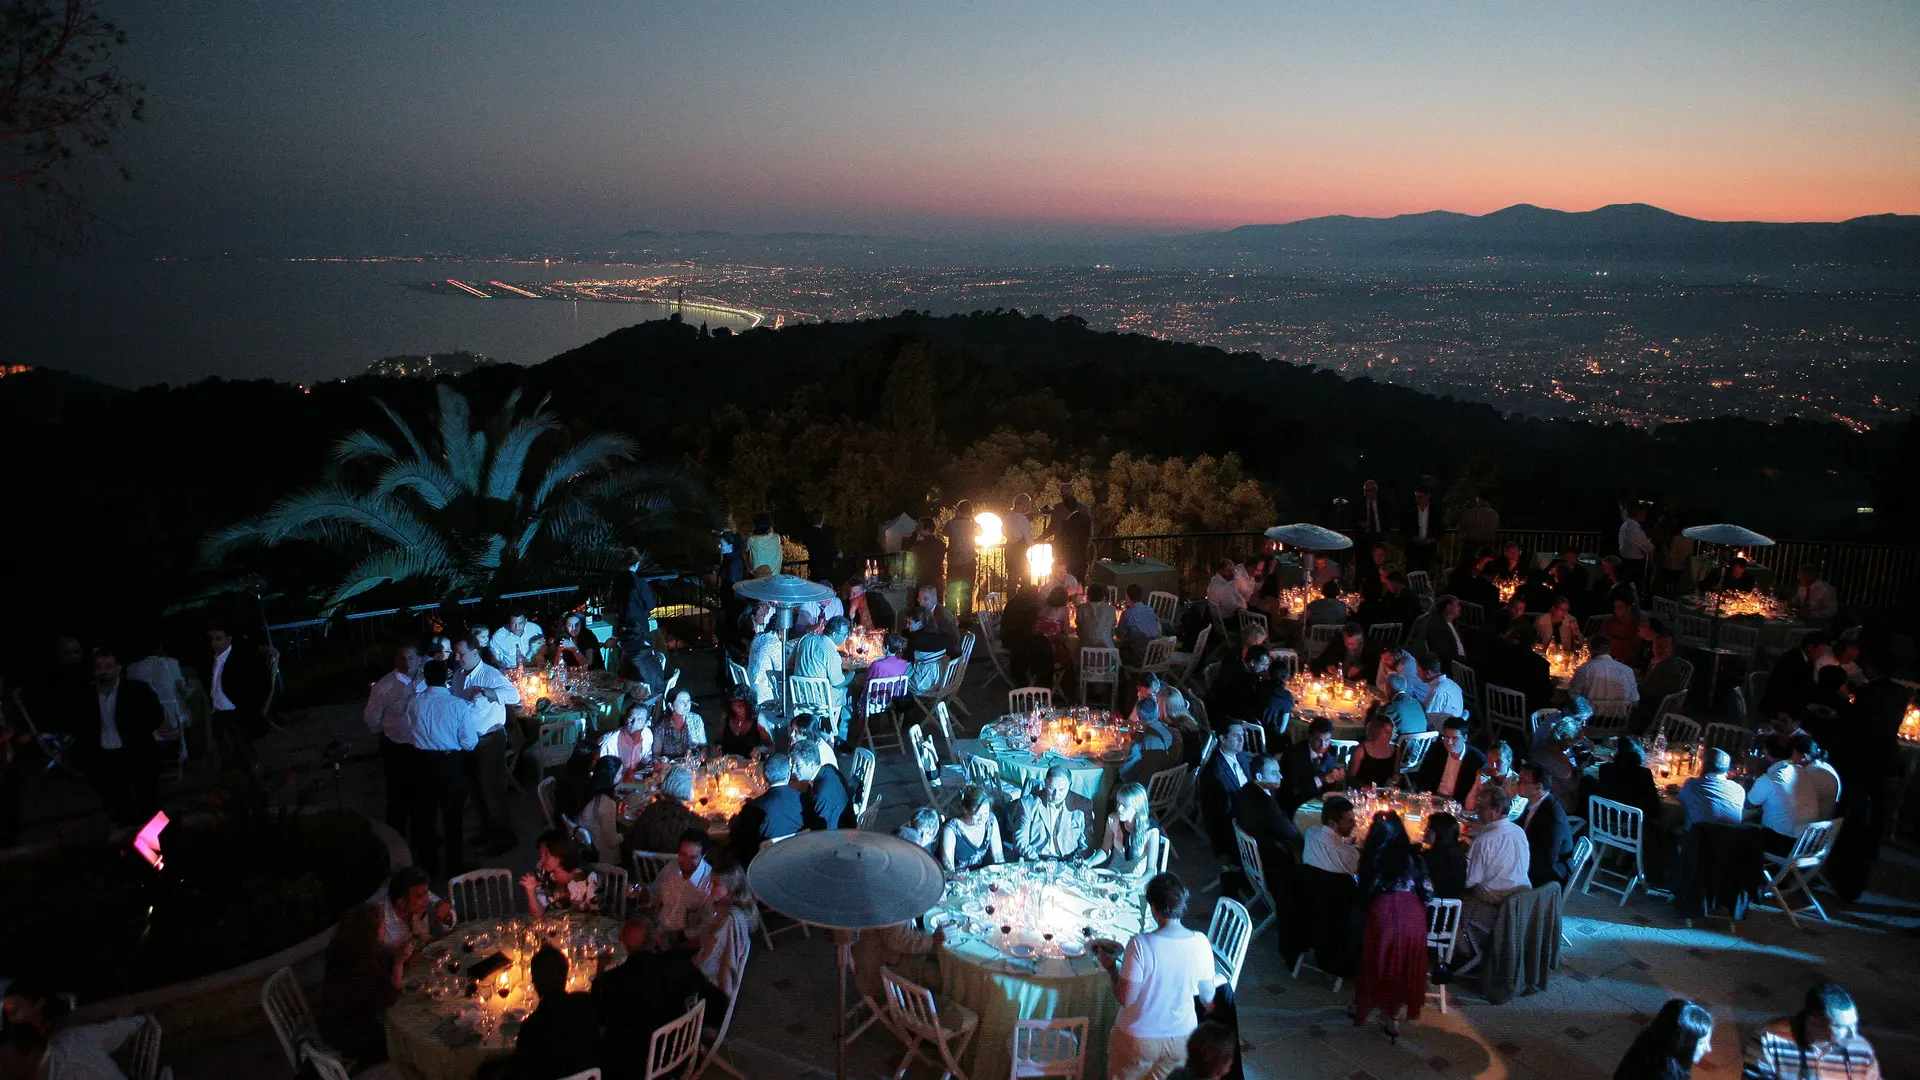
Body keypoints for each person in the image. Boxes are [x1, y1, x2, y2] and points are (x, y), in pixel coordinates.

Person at [1100, 873, 1224, 1080]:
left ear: (1154, 908)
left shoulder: (1140, 944)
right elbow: (1207, 997)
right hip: (1182, 1039)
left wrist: (1112, 970)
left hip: (1138, 1038)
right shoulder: (1201, 942)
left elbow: (1126, 999)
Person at [593, 915, 728, 1080]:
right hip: (678, 1052)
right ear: (655, 938)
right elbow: (718, 1002)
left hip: (632, 1068)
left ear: (622, 943)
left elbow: (597, 1021)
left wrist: (600, 969)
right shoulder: (679, 963)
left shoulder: (610, 981)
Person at [406, 658, 491, 876]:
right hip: (449, 764)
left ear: (425, 678)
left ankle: (429, 866)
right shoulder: (458, 706)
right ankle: (454, 867)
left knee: (426, 815)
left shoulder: (415, 702)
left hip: (421, 763)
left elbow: (410, 728)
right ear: (447, 678)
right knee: (453, 817)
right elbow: (469, 743)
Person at [1352, 811, 1432, 1039]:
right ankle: (1393, 1016)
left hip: (1383, 913)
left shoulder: (1372, 858)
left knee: (1375, 961)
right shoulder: (1415, 857)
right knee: (1403, 964)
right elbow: (1427, 893)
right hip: (1412, 915)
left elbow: (1365, 894)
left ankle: (1366, 1005)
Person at [75, 646, 163, 826]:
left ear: (118, 667)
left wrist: (137, 734)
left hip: (136, 753)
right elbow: (82, 726)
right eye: (99, 667)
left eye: (107, 666)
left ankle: (157, 846)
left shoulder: (137, 690)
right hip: (105, 756)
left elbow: (156, 716)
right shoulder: (87, 695)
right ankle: (127, 845)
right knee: (117, 806)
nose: (102, 672)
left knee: (148, 803)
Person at [450, 634, 522, 855]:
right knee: (476, 788)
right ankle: (487, 830)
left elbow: (513, 694)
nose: (457, 657)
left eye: (461, 653)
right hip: (467, 741)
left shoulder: (490, 674)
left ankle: (505, 837)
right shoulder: (459, 676)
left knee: (492, 789)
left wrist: (487, 692)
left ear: (474, 652)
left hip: (489, 739)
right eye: (455, 653)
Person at [316, 902, 406, 1066]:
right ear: (368, 933)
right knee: (402, 1037)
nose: (385, 929)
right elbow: (387, 999)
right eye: (382, 925)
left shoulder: (350, 948)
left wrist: (396, 951)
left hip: (334, 1019)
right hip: (349, 1034)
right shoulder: (357, 966)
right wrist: (398, 965)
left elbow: (381, 959)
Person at [1452, 785, 1531, 970]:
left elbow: (1470, 880)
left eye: (1481, 808)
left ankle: (1460, 950)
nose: (1476, 811)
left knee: (1451, 894)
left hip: (1496, 898)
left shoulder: (1485, 840)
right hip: (1522, 894)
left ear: (1496, 811)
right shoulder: (1518, 831)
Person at [499, 947, 599, 1080]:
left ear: (534, 982)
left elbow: (521, 1070)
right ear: (566, 976)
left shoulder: (532, 1027)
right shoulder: (586, 1002)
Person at [1744, 983, 1879, 1079]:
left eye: (1853, 1024)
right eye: (1840, 1026)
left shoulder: (1861, 1049)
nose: (1853, 1034)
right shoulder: (1770, 1039)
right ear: (1814, 1021)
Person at [365, 640, 422, 836]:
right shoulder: (385, 685)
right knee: (397, 796)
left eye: (411, 658)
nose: (406, 662)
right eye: (402, 658)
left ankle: (421, 836)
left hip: (421, 746)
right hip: (396, 746)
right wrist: (390, 728)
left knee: (421, 796)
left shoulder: (425, 681)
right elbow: (371, 717)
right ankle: (396, 839)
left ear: (419, 659)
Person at [204, 622, 271, 770]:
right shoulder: (215, 657)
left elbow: (255, 686)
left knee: (240, 743)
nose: (213, 643)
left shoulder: (240, 660)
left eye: (218, 638)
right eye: (211, 639)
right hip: (219, 709)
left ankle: (251, 770)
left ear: (229, 639)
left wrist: (244, 708)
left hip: (235, 710)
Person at [728, 754, 803, 865]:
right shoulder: (803, 799)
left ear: (764, 776)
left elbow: (740, 840)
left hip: (763, 864)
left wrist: (733, 822)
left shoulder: (754, 807)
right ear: (788, 774)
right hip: (798, 858)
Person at [1233, 753, 1301, 874]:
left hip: (1249, 854)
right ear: (1259, 776)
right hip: (1268, 860)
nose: (1280, 776)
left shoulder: (1245, 789)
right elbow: (1291, 833)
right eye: (1274, 773)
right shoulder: (1266, 803)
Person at [1615, 998, 1714, 1080]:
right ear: (1680, 1043)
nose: (1708, 1048)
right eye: (1701, 1042)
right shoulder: (1663, 1074)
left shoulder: (1648, 1044)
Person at [1747, 734, 1810, 855]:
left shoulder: (1771, 779)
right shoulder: (1802, 772)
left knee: (1739, 826)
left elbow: (1748, 804)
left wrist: (1752, 774)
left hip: (1782, 845)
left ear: (1766, 751)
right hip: (1805, 844)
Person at [1515, 762, 1574, 887]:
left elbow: (1546, 861)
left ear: (1538, 787)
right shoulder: (1535, 802)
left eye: (1522, 780)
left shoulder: (1552, 817)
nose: (1516, 783)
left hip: (1548, 877)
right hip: (1531, 859)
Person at [1196, 725, 1251, 860]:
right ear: (1223, 739)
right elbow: (1213, 814)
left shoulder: (1242, 757)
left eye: (1242, 735)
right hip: (1236, 823)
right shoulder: (1214, 771)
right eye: (1235, 735)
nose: (1241, 739)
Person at [1016, 764, 1092, 861]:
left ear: (1070, 785)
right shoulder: (1028, 804)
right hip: (1036, 859)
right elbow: (1021, 842)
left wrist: (1073, 862)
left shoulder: (1082, 806)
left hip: (1068, 861)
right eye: (1051, 788)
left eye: (1062, 790)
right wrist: (1038, 862)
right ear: (1045, 784)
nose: (1056, 795)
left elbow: (1086, 846)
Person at [626, 765, 704, 857]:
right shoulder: (690, 818)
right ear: (687, 790)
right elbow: (704, 827)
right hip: (676, 868)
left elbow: (631, 839)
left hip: (644, 867)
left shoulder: (652, 809)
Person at [654, 829, 716, 938]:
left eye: (693, 857)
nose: (686, 861)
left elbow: (708, 926)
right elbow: (654, 893)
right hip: (658, 929)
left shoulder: (711, 883)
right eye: (683, 854)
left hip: (682, 941)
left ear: (704, 855)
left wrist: (676, 938)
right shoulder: (672, 866)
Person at [521, 829, 600, 915]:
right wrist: (530, 891)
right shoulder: (542, 872)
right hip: (555, 926)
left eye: (546, 855)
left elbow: (596, 914)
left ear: (560, 854)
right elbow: (538, 914)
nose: (542, 859)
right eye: (541, 854)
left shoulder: (587, 877)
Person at [1759, 632, 1831, 728]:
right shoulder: (1792, 660)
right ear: (1810, 647)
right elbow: (1780, 687)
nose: (1821, 654)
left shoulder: (1808, 659)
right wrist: (1779, 711)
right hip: (1779, 706)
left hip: (1793, 703)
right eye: (1820, 651)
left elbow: (1808, 684)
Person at [375, 865, 455, 950]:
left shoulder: (421, 891)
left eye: (427, 893)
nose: (427, 900)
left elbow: (450, 917)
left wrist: (446, 916)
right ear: (401, 902)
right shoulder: (380, 921)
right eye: (420, 896)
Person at [1279, 718, 1348, 813]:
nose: (1323, 745)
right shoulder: (1293, 756)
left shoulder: (1330, 750)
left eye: (1327, 740)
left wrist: (1336, 775)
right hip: (1297, 806)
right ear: (1310, 737)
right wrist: (1321, 779)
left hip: (1321, 803)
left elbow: (1329, 776)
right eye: (1319, 740)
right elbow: (1291, 791)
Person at [1411, 718, 1484, 801]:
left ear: (1465, 738)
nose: (1449, 742)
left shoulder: (1477, 760)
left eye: (1454, 738)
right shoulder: (1436, 750)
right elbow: (1422, 777)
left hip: (1456, 804)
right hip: (1433, 799)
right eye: (1446, 737)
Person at [1632, 630, 1690, 732]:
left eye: (1664, 647)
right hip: (1646, 698)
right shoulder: (1656, 661)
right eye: (1656, 646)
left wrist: (1634, 686)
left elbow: (1655, 692)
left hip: (1653, 708)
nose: (1659, 650)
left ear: (1671, 649)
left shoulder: (1671, 668)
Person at [1104, 782, 1164, 879]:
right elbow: (1105, 850)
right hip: (1113, 875)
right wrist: (1089, 862)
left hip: (1137, 879)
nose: (1119, 808)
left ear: (1137, 808)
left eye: (1124, 805)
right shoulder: (1113, 820)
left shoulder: (1151, 831)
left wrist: (1136, 883)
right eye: (1118, 803)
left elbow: (1151, 870)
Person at [1673, 747, 1745, 828]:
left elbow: (1678, 801)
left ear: (1704, 766)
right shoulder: (1739, 790)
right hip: (1728, 839)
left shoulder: (1691, 785)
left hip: (1695, 838)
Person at [791, 738, 853, 830]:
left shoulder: (822, 795)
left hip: (837, 835)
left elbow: (823, 833)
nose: (793, 770)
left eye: (798, 766)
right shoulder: (828, 768)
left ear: (812, 764)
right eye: (793, 765)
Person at [1530, 711, 1588, 811]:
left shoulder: (1540, 745)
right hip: (1556, 803)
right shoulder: (1560, 760)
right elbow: (1570, 787)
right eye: (1572, 743)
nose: (1572, 746)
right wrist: (1579, 773)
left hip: (1537, 795)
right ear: (1567, 739)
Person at [940, 786, 1005, 873]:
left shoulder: (990, 820)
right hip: (958, 878)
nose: (983, 819)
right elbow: (948, 867)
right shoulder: (952, 829)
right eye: (977, 815)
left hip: (980, 874)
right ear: (965, 810)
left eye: (985, 813)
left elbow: (998, 856)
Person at [1570, 636, 1641, 707]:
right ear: (1609, 649)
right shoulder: (1627, 670)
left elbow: (1573, 695)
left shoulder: (1584, 669)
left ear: (1590, 649)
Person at [1303, 795, 1361, 878]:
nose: (1354, 824)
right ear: (1333, 823)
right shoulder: (1349, 854)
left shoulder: (1310, 833)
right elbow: (1361, 872)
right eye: (1350, 821)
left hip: (1309, 884)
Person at [579, 756, 624, 863]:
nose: (622, 776)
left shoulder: (587, 790)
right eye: (621, 773)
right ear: (613, 777)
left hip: (589, 847)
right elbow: (611, 842)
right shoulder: (606, 803)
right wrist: (626, 833)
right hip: (605, 857)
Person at [1791, 733, 1842, 822]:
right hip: (1818, 818)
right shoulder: (1820, 765)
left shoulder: (1812, 773)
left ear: (1804, 756)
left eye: (1790, 753)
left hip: (1814, 825)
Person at [599, 700, 654, 778]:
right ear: (625, 719)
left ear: (647, 723)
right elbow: (603, 770)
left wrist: (650, 762)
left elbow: (646, 754)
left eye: (640, 720)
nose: (634, 723)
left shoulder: (647, 734)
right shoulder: (610, 742)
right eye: (631, 718)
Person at [1347, 714, 1401, 790]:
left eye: (1391, 731)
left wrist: (1394, 781)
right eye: (1386, 731)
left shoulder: (1395, 749)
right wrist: (1363, 787)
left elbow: (1397, 774)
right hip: (1364, 793)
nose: (1390, 735)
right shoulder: (1361, 750)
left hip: (1386, 792)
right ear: (1376, 732)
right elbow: (1351, 777)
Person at [1423, 812, 1468, 899]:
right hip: (1452, 909)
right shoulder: (1460, 856)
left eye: (1429, 830)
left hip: (1429, 907)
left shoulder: (1428, 857)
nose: (1425, 831)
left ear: (1440, 834)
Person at [653, 689, 708, 758]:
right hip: (671, 766)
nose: (686, 705)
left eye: (688, 701)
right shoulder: (661, 726)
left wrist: (702, 754)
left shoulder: (696, 719)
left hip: (694, 763)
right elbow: (656, 755)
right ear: (671, 705)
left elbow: (703, 746)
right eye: (682, 702)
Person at [1465, 741, 1518, 811]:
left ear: (1509, 761)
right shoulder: (1485, 775)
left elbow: (1501, 813)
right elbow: (1469, 806)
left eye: (1498, 762)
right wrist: (1477, 782)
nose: (1493, 766)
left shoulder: (1516, 782)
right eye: (1490, 761)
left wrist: (1485, 788)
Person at [1077, 582, 1119, 650]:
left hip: (1085, 651)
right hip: (1107, 652)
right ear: (1103, 596)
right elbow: (1113, 628)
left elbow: (1079, 628)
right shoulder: (1111, 609)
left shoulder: (1081, 608)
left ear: (1088, 595)